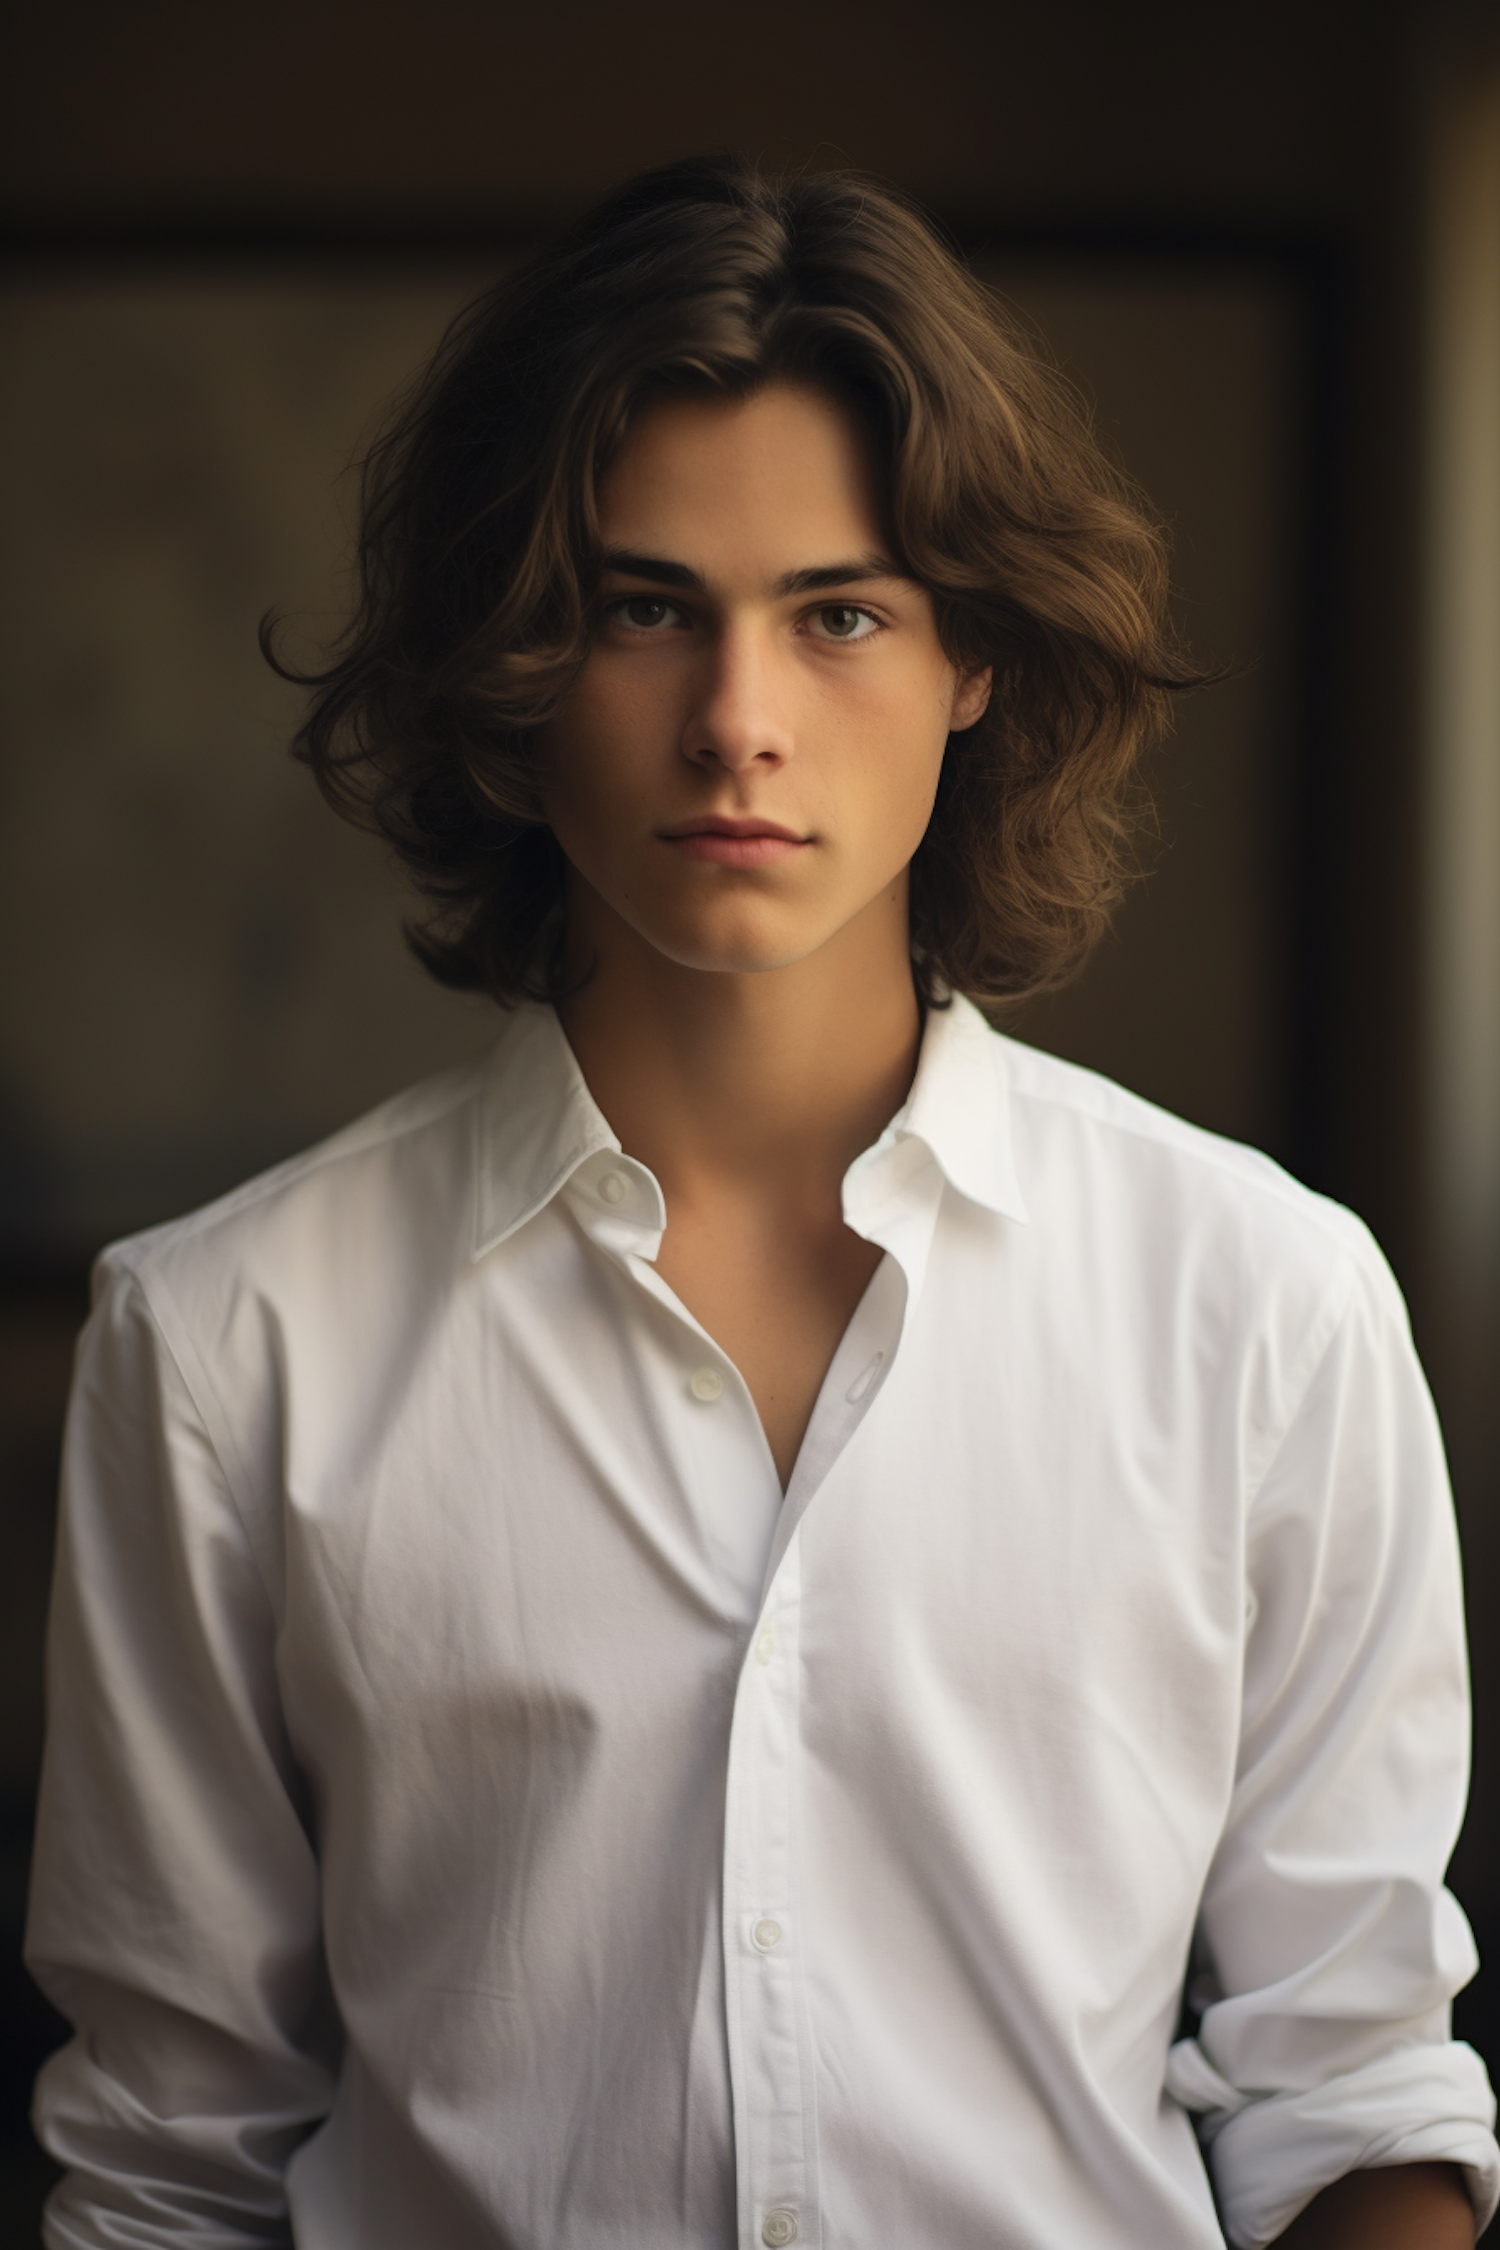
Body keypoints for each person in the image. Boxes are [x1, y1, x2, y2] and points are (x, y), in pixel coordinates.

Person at [26, 157, 1498, 2250]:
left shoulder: (1263, 1302)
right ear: (526, 672)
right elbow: (173, 2162)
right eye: (646, 609)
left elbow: (1349, 2091)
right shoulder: (225, 1344)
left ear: (971, 658)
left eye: (840, 613)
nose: (739, 724)